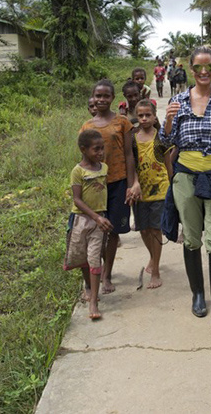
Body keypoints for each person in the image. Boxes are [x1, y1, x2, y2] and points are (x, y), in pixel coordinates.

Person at [159, 45, 211, 329]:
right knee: (193, 238)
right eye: (198, 68)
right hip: (186, 177)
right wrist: (169, 118)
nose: (204, 72)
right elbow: (164, 140)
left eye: (209, 67)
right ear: (191, 70)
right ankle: (198, 295)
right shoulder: (179, 100)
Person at [80, 79, 142, 294]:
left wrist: (132, 182)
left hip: (118, 182)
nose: (101, 100)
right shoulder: (86, 127)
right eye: (98, 96)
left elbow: (129, 154)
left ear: (113, 98)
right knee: (97, 230)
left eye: (106, 96)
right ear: (93, 98)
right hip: (95, 186)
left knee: (113, 231)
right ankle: (97, 271)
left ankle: (107, 275)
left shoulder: (122, 122)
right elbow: (83, 159)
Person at [67, 130, 114, 320]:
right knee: (83, 257)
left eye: (102, 148)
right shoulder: (77, 171)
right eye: (96, 149)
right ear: (83, 150)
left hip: (99, 221)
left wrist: (101, 217)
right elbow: (77, 200)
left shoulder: (104, 168)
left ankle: (94, 300)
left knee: (94, 258)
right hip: (81, 219)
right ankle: (87, 285)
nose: (101, 152)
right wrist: (95, 217)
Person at [133, 101, 169, 289]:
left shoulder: (161, 138)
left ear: (155, 116)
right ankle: (153, 257)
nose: (145, 119)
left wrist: (173, 188)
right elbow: (130, 165)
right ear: (136, 117)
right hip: (140, 192)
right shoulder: (132, 138)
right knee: (143, 229)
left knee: (155, 230)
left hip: (161, 189)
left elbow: (169, 164)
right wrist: (134, 183)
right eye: (141, 115)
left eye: (148, 115)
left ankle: (155, 270)